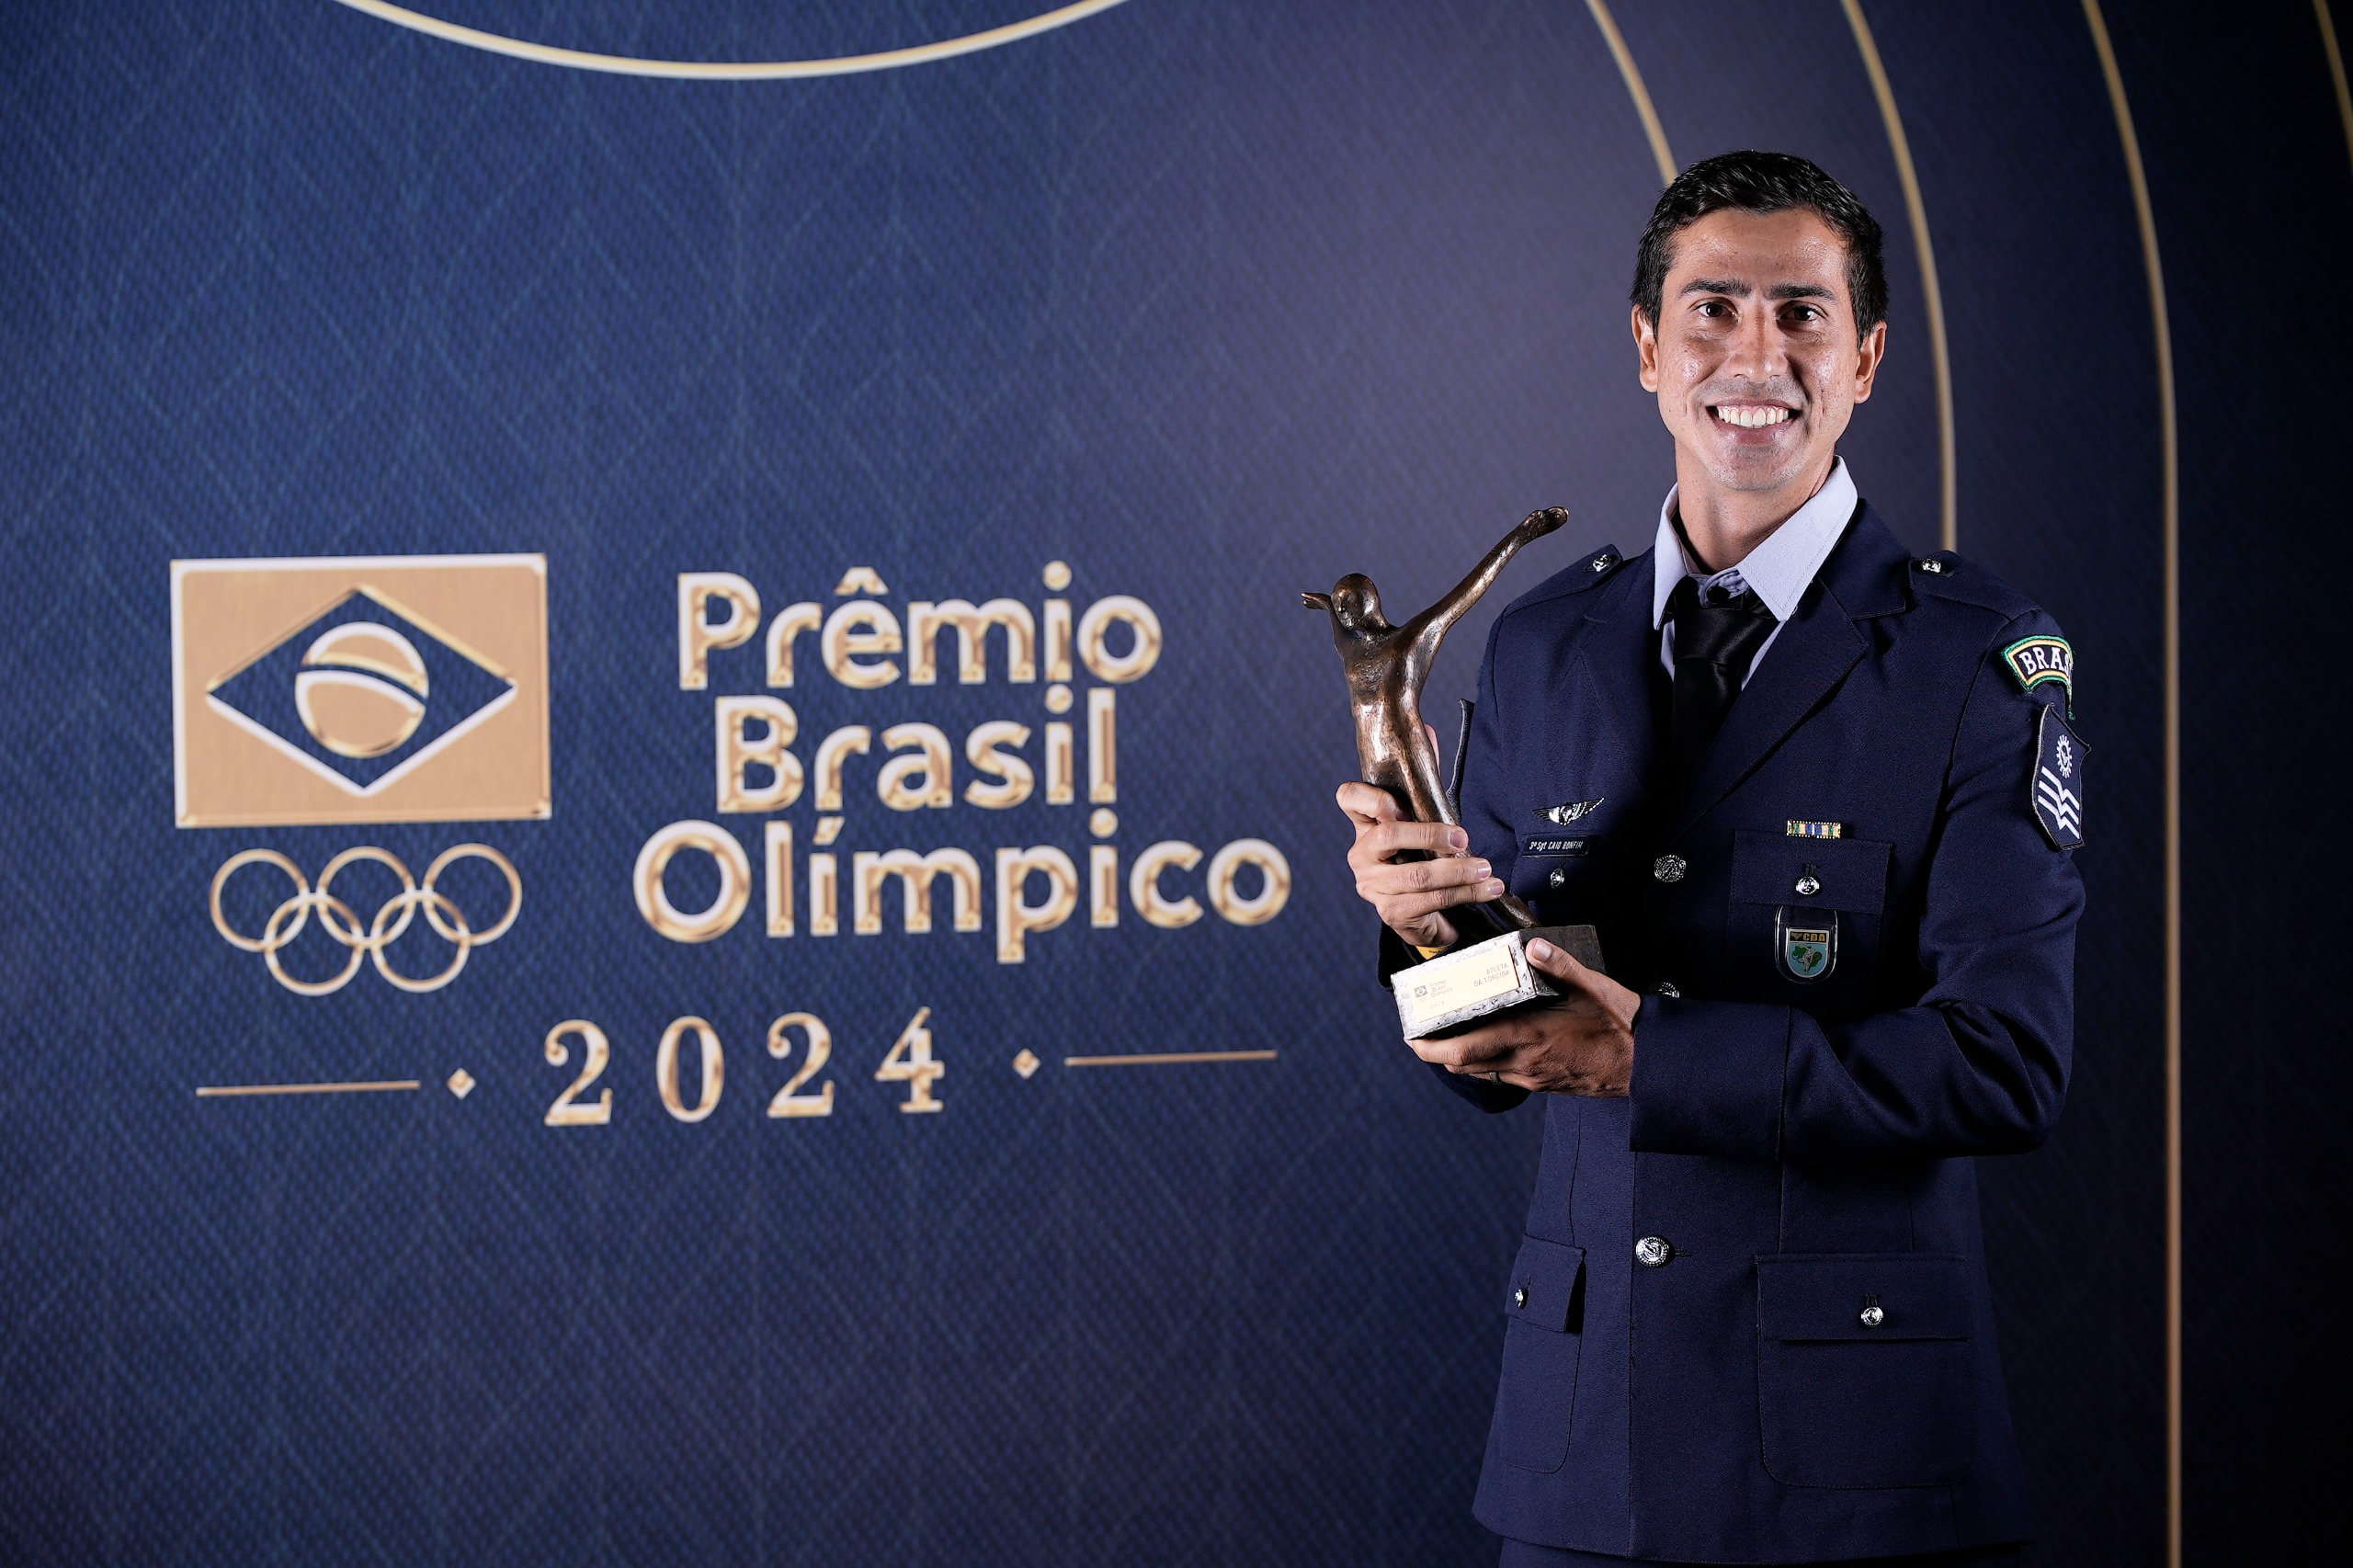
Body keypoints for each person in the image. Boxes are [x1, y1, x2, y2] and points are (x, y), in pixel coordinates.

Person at [1337, 151, 2084, 1567]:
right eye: (1713, 310)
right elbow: (1497, 1060)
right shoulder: (1548, 642)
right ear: (1645, 348)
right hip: (1582, 1462)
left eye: (1802, 314)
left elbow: (2006, 1063)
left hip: (1854, 1466)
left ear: (1864, 359)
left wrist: (1653, 1057)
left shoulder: (1977, 658)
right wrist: (1419, 932)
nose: (1758, 355)